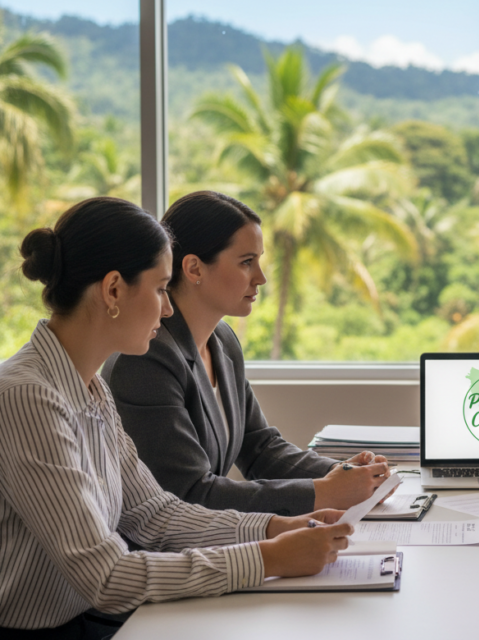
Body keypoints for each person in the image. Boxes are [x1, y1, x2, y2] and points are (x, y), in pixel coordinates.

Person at [0, 198, 353, 638]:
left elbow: (155, 513)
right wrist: (268, 557)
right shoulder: (28, 396)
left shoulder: (91, 387)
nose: (168, 309)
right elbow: (107, 578)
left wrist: (275, 527)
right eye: (161, 289)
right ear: (113, 290)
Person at [103, 191, 389, 516]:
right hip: (161, 554)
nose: (261, 278)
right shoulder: (146, 359)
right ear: (194, 268)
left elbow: (259, 448)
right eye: (246, 262)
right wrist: (320, 493)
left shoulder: (222, 340)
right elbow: (188, 494)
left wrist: (340, 474)